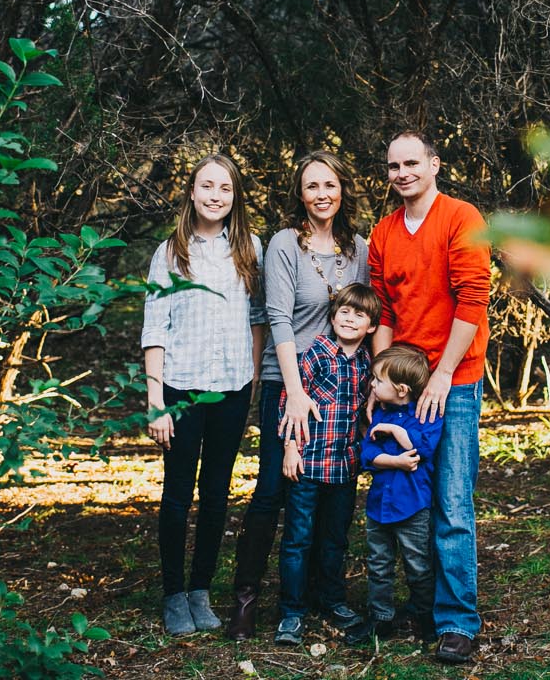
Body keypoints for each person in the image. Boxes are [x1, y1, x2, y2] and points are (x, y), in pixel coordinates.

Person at [225, 151, 369, 639]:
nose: (322, 194)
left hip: (340, 386)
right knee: (272, 491)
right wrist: (295, 392)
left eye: (329, 184)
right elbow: (278, 317)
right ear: (300, 194)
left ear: (342, 189)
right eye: (311, 186)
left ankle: (316, 596)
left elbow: (367, 317)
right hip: (285, 382)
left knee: (329, 496)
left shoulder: (360, 251)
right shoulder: (285, 243)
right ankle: (246, 598)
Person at [368, 130, 491, 664]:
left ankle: (458, 621)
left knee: (452, 501)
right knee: (405, 485)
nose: (402, 173)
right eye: (394, 166)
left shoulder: (462, 219)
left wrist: (440, 377)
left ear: (434, 164)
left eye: (412, 162)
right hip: (401, 385)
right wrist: (382, 382)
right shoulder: (383, 233)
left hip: (455, 380)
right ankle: (419, 606)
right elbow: (383, 313)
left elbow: (473, 301)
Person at [141, 153, 267, 637]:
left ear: (235, 197)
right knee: (177, 496)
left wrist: (251, 380)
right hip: (182, 389)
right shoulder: (171, 252)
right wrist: (157, 404)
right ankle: (174, 595)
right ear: (191, 192)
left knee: (216, 496)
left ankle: (200, 590)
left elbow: (256, 320)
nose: (216, 196)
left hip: (231, 391)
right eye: (207, 186)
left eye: (226, 188)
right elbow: (155, 329)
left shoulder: (249, 247)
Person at [273, 283, 380, 646]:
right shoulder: (316, 354)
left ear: (371, 327)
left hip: (344, 469)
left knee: (334, 540)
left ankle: (331, 599)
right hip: (307, 465)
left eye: (359, 315)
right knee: (298, 540)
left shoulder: (367, 363)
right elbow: (290, 403)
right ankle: (291, 610)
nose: (349, 319)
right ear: (332, 316)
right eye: (344, 312)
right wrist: (290, 449)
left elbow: (366, 408)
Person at [349, 344, 443, 644]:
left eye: (378, 380)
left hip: (412, 507)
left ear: (401, 389)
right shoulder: (380, 414)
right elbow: (367, 455)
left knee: (418, 565)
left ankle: (425, 617)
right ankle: (381, 618)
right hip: (379, 506)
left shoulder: (426, 414)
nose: (372, 385)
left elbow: (423, 449)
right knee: (378, 564)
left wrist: (397, 433)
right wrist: (395, 461)